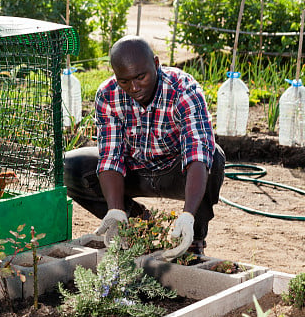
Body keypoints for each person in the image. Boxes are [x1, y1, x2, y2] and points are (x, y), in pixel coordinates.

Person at [64, 35, 225, 259]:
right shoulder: (108, 94)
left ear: (156, 64)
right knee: (69, 167)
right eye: (124, 81)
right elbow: (111, 156)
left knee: (213, 157)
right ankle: (134, 220)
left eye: (141, 77)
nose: (134, 87)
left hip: (174, 171)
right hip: (134, 171)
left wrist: (188, 214)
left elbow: (197, 152)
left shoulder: (183, 90)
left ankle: (192, 237)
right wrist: (115, 210)